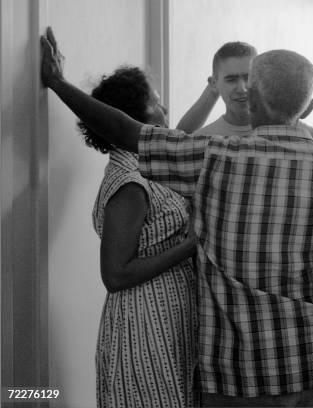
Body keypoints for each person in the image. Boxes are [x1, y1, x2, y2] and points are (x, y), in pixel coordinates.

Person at [41, 28, 313, 407]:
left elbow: (128, 132)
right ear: (306, 106)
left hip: (240, 371)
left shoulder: (215, 156)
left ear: (254, 99)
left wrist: (58, 84)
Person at [79, 66, 198, 407]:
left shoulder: (149, 165)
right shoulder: (130, 182)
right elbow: (115, 275)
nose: (165, 111)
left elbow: (182, 134)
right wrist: (189, 245)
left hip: (167, 315)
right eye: (156, 103)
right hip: (145, 322)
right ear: (131, 116)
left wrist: (212, 91)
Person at [177, 41, 256, 136]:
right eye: (231, 80)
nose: (242, 89)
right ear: (214, 83)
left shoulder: (276, 135)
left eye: (249, 77)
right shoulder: (203, 139)